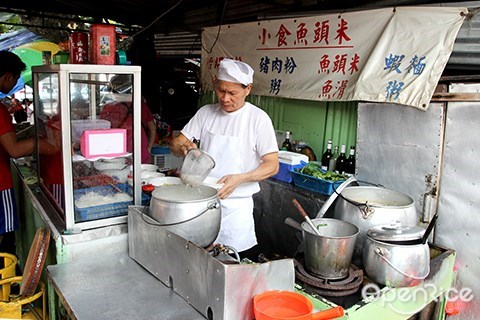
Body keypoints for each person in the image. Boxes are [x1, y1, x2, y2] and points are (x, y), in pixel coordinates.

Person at [170, 58, 279, 259]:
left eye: (232, 93)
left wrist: (240, 178)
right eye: (221, 91)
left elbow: (272, 166)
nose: (225, 98)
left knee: (232, 262)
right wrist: (184, 148)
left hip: (236, 210)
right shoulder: (206, 113)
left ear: (248, 89)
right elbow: (176, 144)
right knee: (197, 260)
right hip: (202, 204)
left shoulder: (258, 119)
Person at [0, 51, 58, 257]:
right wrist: (42, 143)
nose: (14, 83)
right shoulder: (0, 109)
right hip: (0, 184)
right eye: (15, 78)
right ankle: (7, 283)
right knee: (5, 242)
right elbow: (14, 150)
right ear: (8, 76)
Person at [99, 96, 156, 164]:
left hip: (116, 150)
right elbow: (153, 129)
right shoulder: (141, 105)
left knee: (119, 173)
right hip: (140, 150)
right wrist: (148, 148)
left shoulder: (109, 107)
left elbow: (102, 131)